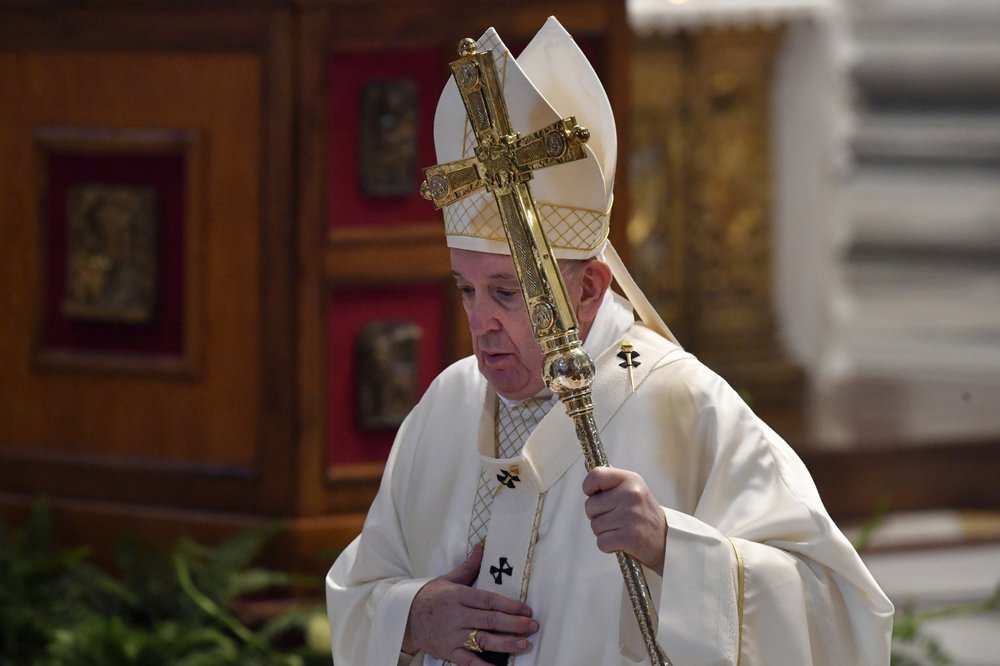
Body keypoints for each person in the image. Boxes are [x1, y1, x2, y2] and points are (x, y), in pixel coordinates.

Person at [326, 16, 894, 666]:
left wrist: (669, 547)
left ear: (592, 288)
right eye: (466, 289)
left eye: (508, 293)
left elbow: (841, 616)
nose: (481, 322)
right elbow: (362, 589)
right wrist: (411, 617)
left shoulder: (685, 405)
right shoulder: (447, 405)